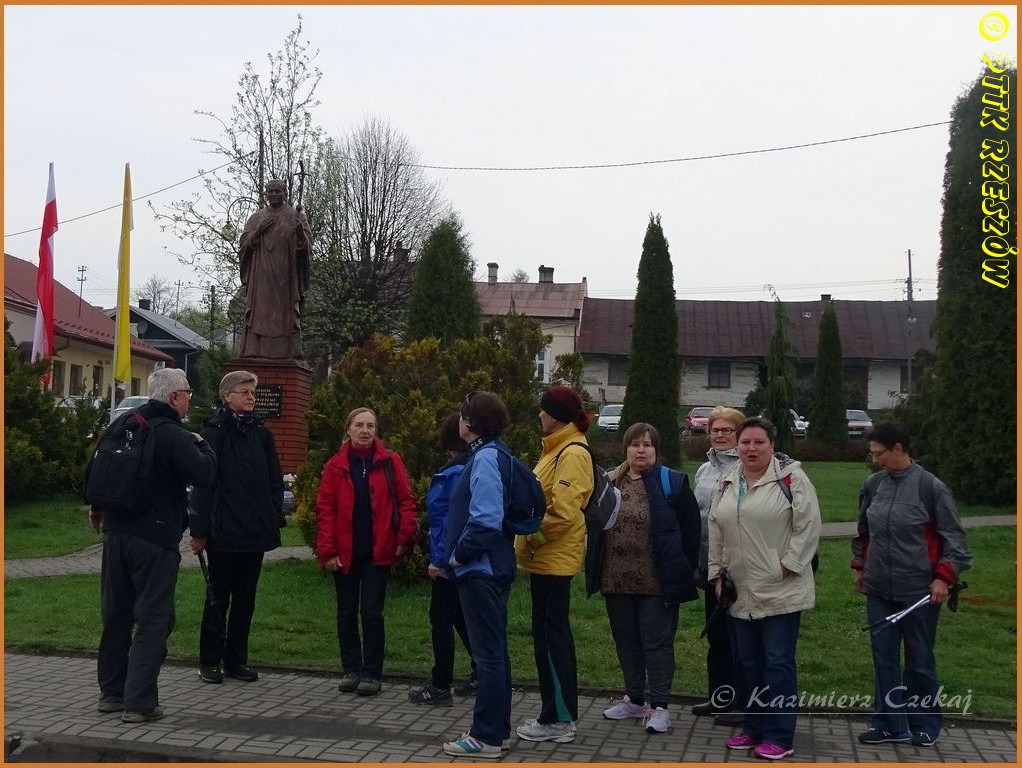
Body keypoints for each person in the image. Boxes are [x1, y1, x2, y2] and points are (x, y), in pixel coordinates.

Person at [92, 368, 217, 723]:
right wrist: (202, 444)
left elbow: (100, 468)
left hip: (116, 532)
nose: (189, 398)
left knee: (116, 616)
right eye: (188, 393)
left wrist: (99, 507)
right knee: (154, 619)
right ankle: (140, 702)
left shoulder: (125, 424)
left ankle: (112, 693)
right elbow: (204, 474)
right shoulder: (172, 434)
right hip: (155, 538)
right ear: (175, 397)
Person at [851, 422, 972, 748]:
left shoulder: (931, 488)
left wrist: (943, 577)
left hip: (919, 592)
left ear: (899, 449)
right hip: (879, 589)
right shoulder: (873, 485)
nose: (875, 460)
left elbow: (955, 541)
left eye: (879, 454)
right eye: (872, 454)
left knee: (919, 659)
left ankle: (924, 724)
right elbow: (864, 532)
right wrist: (860, 567)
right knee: (884, 658)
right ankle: (889, 724)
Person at [707, 417, 821, 761]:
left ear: (772, 445)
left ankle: (780, 736)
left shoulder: (791, 479)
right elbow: (716, 529)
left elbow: (808, 526)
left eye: (759, 442)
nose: (751, 449)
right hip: (739, 589)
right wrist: (716, 574)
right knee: (749, 664)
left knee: (777, 664)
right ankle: (754, 728)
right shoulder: (728, 482)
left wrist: (787, 565)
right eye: (745, 442)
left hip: (780, 589)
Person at [595, 423, 700, 734]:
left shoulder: (672, 483)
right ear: (625, 448)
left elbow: (691, 532)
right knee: (626, 641)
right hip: (616, 579)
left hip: (657, 582)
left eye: (647, 444)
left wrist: (685, 570)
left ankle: (660, 707)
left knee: (656, 644)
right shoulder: (610, 481)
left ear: (657, 449)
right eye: (635, 444)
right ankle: (634, 699)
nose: (640, 450)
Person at [188, 371, 284, 685]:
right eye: (245, 392)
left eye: (253, 392)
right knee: (218, 597)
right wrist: (199, 529)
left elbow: (274, 478)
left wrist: (273, 512)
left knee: (246, 598)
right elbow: (204, 483)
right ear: (228, 396)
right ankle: (209, 660)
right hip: (223, 530)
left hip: (254, 530)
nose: (251, 397)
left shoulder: (261, 433)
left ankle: (236, 659)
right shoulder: (214, 432)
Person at [314, 407, 417, 696]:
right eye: (359, 425)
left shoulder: (389, 461)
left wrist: (405, 535)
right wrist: (327, 550)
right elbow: (325, 509)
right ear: (348, 429)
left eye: (370, 425)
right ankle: (351, 669)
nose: (365, 430)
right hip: (344, 552)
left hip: (378, 550)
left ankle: (372, 673)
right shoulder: (335, 465)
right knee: (346, 613)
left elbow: (406, 500)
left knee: (372, 612)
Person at [514, 385, 594, 744]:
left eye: (544, 409)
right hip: (545, 559)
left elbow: (563, 512)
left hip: (553, 559)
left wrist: (531, 536)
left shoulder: (572, 452)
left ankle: (559, 719)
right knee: (548, 636)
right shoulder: (557, 448)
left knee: (551, 638)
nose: (539, 414)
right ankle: (556, 714)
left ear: (556, 415)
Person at [442, 391, 517, 758]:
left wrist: (459, 556)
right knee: (495, 653)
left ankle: (485, 737)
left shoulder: (486, 457)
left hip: (480, 569)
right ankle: (497, 731)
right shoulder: (497, 453)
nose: (459, 420)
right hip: (492, 567)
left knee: (487, 656)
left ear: (470, 422)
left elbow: (486, 519)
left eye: (462, 415)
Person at [409, 412, 477, 706]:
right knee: (461, 615)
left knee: (441, 619)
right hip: (470, 557)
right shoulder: (475, 466)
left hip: (450, 558)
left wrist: (438, 561)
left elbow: (444, 523)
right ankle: (480, 671)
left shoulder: (450, 475)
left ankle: (440, 684)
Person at [692, 406, 745, 726]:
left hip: (734, 566)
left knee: (736, 636)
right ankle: (718, 696)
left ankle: (739, 701)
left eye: (727, 430)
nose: (720, 435)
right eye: (715, 430)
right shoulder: (704, 470)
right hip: (706, 563)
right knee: (716, 634)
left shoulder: (745, 468)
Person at [238, 178, 312, 359]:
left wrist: (300, 233)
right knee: (259, 313)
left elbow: (307, 248)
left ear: (285, 193)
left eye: (277, 191)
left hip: (285, 277)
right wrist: (258, 231)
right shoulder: (256, 218)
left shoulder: (296, 216)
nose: (273, 194)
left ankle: (285, 352)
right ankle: (254, 350)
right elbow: (244, 245)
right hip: (261, 277)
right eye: (270, 191)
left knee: (284, 316)